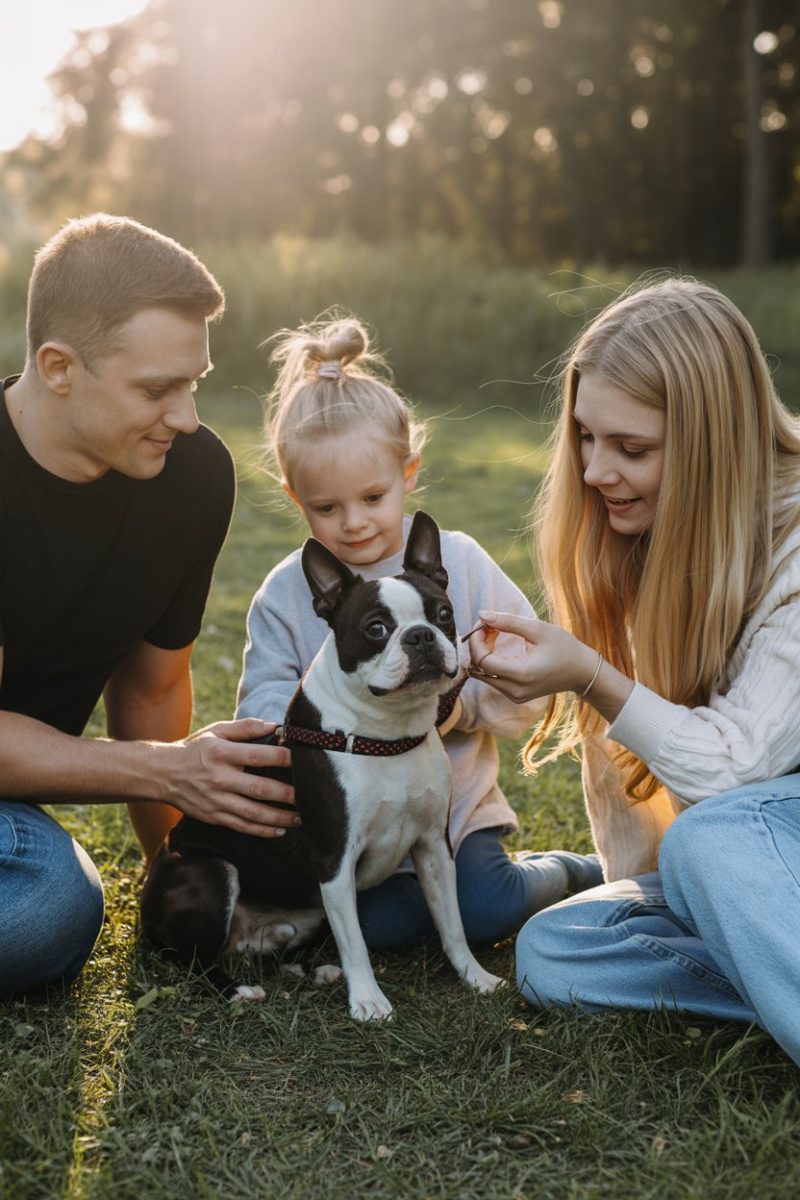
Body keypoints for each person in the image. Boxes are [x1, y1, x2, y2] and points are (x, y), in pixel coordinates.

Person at [465, 277, 800, 1064]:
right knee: (557, 949)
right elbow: (637, 800)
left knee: (710, 842)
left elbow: (736, 772)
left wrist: (591, 676)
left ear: (713, 438)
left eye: (631, 448)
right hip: (757, 864)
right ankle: (770, 963)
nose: (592, 470)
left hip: (754, 832)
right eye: (586, 436)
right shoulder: (648, 537)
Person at [235, 314, 603, 950]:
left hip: (452, 806)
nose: (353, 524)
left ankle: (570, 871)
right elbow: (263, 715)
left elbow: (530, 683)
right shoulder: (286, 594)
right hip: (353, 822)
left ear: (408, 474)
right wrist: (342, 721)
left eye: (373, 497)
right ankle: (410, 907)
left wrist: (457, 707)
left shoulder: (455, 563)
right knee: (380, 927)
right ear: (297, 500)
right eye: (327, 508)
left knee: (486, 910)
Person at [0, 213, 297, 997]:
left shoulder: (192, 475)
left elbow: (153, 688)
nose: (187, 417)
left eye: (193, 383)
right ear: (59, 366)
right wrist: (167, 769)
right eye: (157, 390)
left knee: (46, 906)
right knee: (52, 907)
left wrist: (175, 870)